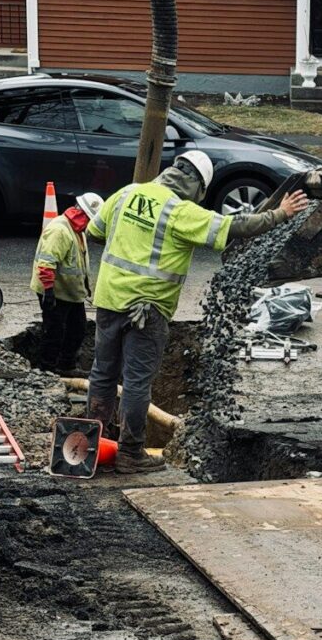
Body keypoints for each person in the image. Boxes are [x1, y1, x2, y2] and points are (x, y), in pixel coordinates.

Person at [86, 150, 310, 474]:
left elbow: (95, 232)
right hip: (146, 311)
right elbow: (237, 226)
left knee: (102, 375)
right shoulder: (180, 211)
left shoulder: (127, 193)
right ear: (197, 187)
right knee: (136, 383)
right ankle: (130, 453)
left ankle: (90, 445)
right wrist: (281, 213)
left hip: (108, 301)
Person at [30, 192, 104, 377]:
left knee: (77, 328)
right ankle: (46, 369)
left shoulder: (77, 231)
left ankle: (66, 366)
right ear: (85, 215)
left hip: (71, 293)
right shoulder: (60, 230)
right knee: (54, 330)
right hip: (55, 290)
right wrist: (48, 291)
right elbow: (46, 263)